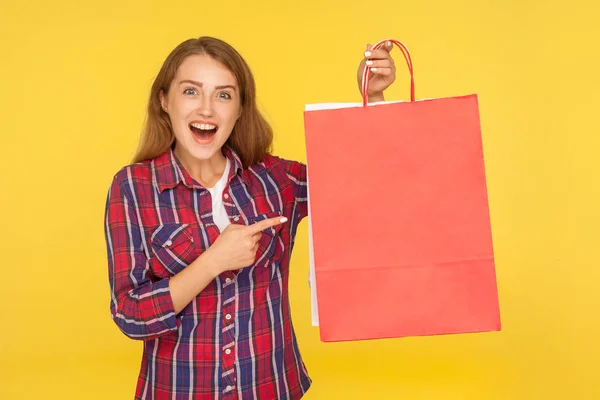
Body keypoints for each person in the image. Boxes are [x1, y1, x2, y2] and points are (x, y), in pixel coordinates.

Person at [104, 36, 396, 400]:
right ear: (164, 100)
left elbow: (369, 187)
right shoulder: (133, 187)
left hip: (273, 387)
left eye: (224, 95)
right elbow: (130, 315)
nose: (207, 110)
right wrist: (213, 261)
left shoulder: (276, 179)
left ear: (240, 108)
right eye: (191, 92)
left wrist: (375, 101)